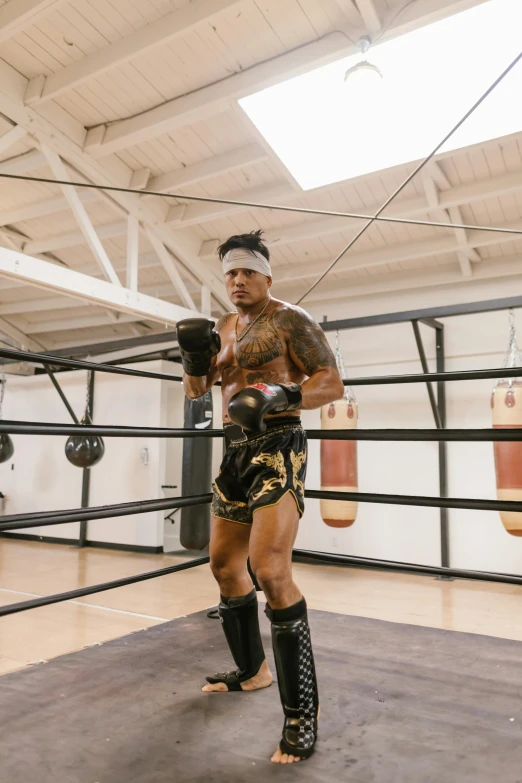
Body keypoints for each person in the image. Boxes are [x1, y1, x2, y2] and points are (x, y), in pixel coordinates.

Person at [176, 230, 344, 764]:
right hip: (234, 452)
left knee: (269, 569)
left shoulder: (291, 319)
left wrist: (284, 392)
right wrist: (193, 358)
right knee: (225, 566)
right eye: (230, 272)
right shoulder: (221, 327)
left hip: (279, 446)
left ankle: (302, 713)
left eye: (248, 271)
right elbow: (198, 393)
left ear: (267, 276)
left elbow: (332, 383)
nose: (238, 280)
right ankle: (253, 672)